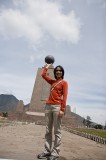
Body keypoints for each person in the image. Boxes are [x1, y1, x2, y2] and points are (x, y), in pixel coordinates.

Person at [37, 63, 68, 160]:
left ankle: (55, 152)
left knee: (57, 131)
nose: (58, 71)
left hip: (57, 107)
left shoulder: (64, 83)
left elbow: (65, 97)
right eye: (56, 70)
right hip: (48, 106)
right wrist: (47, 66)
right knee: (48, 130)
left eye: (60, 70)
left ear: (62, 72)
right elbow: (43, 75)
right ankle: (47, 151)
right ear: (55, 72)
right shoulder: (53, 82)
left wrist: (62, 109)